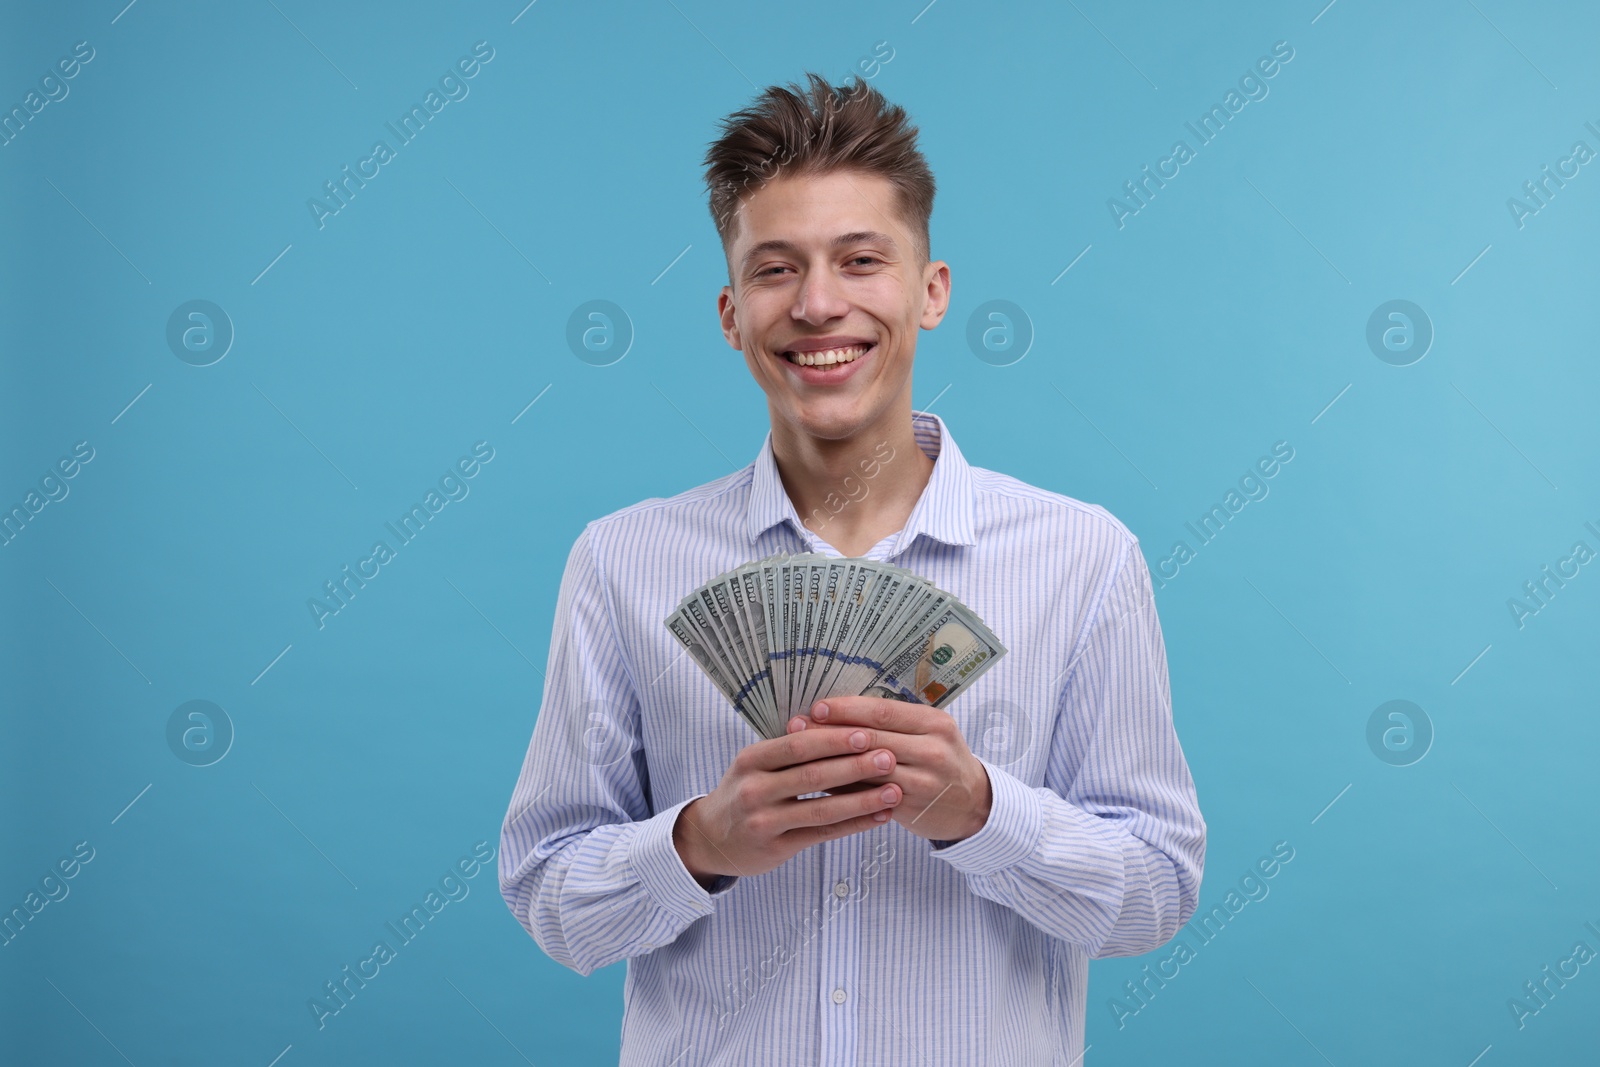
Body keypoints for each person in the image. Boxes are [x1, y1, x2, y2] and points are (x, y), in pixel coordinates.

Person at [499, 71, 1205, 1066]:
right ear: (730, 312)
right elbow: (550, 898)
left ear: (930, 291)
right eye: (775, 269)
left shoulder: (1081, 558)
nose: (819, 304)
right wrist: (699, 841)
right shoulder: (624, 564)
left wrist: (982, 812)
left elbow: (1156, 891)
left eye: (860, 260)